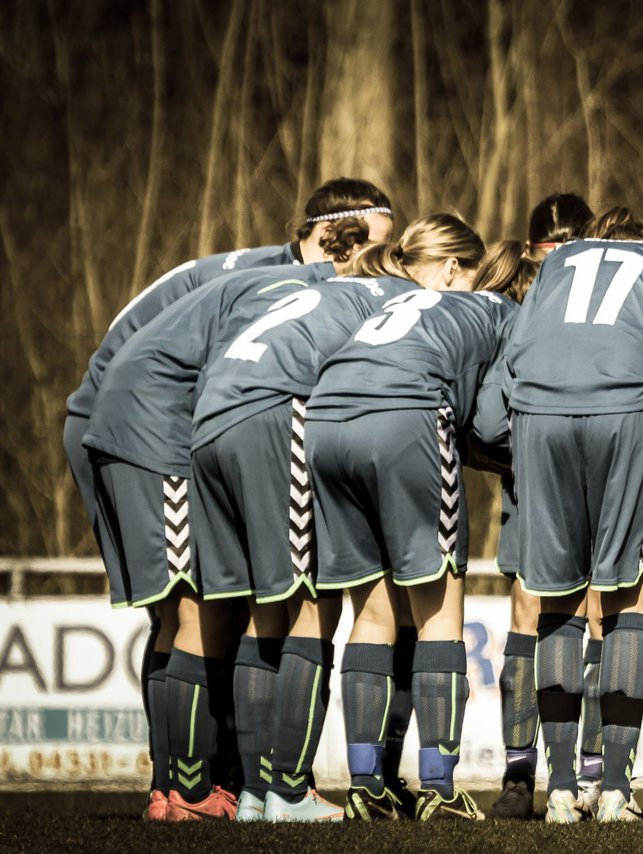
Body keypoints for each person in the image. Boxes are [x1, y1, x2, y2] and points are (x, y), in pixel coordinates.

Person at [67, 178, 392, 819]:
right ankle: (192, 786)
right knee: (197, 607)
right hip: (150, 421)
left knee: (188, 608)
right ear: (332, 235)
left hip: (126, 416)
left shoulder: (267, 272)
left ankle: (184, 784)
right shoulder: (288, 280)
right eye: (374, 248)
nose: (379, 268)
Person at [186, 214, 485, 823]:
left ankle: (253, 791)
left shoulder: (338, 289)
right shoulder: (416, 302)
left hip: (213, 410)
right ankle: (290, 792)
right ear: (449, 269)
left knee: (263, 605)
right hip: (280, 410)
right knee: (313, 605)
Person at [306, 239, 525, 823]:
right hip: (405, 414)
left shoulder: (431, 302)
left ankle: (365, 783)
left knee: (373, 612)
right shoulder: (511, 317)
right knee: (439, 608)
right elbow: (485, 422)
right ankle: (438, 786)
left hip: (324, 419)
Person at [504, 207, 643, 823]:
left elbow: (511, 361)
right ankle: (615, 789)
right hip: (627, 410)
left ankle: (558, 790)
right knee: (624, 601)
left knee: (555, 605)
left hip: (539, 415)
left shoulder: (557, 262)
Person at [490, 193, 595, 821]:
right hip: (533, 475)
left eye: (570, 245)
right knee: (529, 610)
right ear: (533, 253)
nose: (559, 259)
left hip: (602, 466)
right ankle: (519, 773)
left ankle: (590, 773)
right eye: (548, 249)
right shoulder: (517, 307)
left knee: (601, 611)